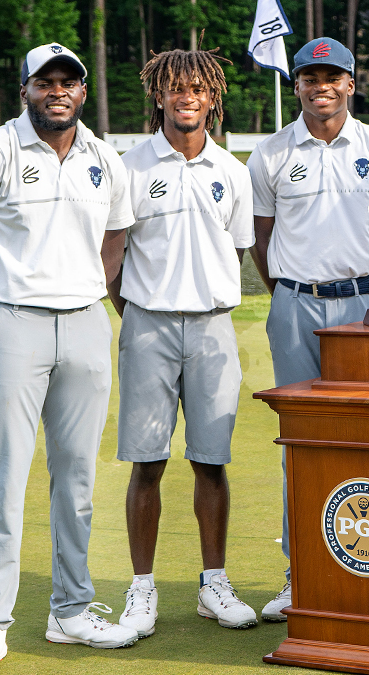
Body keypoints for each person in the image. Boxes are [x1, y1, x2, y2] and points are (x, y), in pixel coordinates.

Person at [0, 43, 140, 675]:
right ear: (24, 89)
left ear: (83, 92)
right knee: (6, 478)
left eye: (69, 82)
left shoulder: (105, 158)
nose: (58, 91)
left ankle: (71, 611)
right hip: (11, 323)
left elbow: (116, 240)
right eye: (45, 81)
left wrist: (88, 293)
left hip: (84, 325)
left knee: (77, 479)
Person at [247, 36, 369, 621]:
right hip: (294, 308)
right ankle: (302, 570)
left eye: (331, 76)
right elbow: (261, 240)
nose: (322, 87)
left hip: (363, 304)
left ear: (350, 83)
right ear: (297, 87)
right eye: (310, 78)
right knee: (303, 444)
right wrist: (290, 290)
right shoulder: (268, 154)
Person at [108, 48, 258, 638]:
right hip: (148, 325)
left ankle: (213, 584)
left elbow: (239, 249)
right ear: (159, 95)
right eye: (175, 87)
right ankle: (141, 590)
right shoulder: (130, 167)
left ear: (212, 97)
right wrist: (138, 312)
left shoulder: (234, 172)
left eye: (197, 87)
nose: (186, 96)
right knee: (146, 463)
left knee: (211, 462)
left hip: (214, 327)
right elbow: (113, 257)